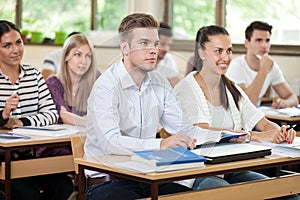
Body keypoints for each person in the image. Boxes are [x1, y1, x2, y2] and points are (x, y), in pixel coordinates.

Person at [84, 13, 213, 200]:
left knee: (192, 196)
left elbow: (182, 128)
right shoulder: (106, 86)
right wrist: (161, 144)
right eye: (144, 43)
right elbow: (110, 141)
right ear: (125, 48)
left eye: (155, 43)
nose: (153, 50)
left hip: (147, 175)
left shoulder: (159, 82)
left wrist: (226, 137)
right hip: (108, 181)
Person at [174, 25, 297, 194]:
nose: (226, 57)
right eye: (218, 51)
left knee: (282, 192)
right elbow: (201, 131)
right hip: (199, 172)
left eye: (229, 50)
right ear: (201, 53)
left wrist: (281, 132)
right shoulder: (186, 88)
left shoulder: (231, 88)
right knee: (231, 194)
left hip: (231, 169)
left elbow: (263, 123)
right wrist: (251, 135)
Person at [0, 20, 73, 200]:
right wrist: (3, 115)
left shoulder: (33, 75)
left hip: (29, 156)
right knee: (26, 193)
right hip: (3, 159)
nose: (15, 50)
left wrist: (22, 122)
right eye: (7, 45)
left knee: (64, 186)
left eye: (18, 42)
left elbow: (51, 114)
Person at [226, 21, 298, 108]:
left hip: (256, 115)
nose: (264, 45)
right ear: (246, 43)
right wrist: (263, 70)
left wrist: (284, 103)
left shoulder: (271, 66)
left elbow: (293, 98)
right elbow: (245, 103)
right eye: (259, 40)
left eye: (267, 40)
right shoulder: (236, 66)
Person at [45, 33, 100, 127]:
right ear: (66, 56)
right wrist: (92, 123)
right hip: (63, 140)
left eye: (88, 56)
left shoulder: (96, 78)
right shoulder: (53, 83)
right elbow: (64, 116)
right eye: (78, 55)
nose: (84, 61)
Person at [156, 22, 180, 87]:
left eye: (168, 45)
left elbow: (177, 87)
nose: (166, 49)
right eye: (163, 44)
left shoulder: (168, 60)